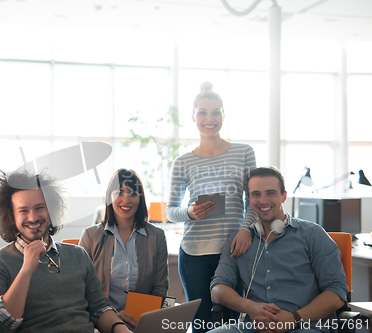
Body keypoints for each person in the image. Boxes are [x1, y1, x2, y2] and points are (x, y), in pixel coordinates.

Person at [0, 169, 132, 333]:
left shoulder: (78, 255)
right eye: (23, 210)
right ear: (11, 217)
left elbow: (99, 308)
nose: (33, 217)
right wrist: (26, 271)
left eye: (39, 208)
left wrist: (120, 329)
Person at [210, 167, 348, 333]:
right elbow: (217, 290)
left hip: (304, 326)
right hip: (255, 327)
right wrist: (252, 308)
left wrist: (293, 318)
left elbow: (337, 292)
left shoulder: (313, 234)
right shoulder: (238, 240)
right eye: (256, 194)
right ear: (249, 198)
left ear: (284, 196)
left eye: (270, 193)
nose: (263, 200)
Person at [166, 81, 257, 332]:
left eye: (216, 112)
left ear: (224, 115)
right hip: (194, 253)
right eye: (203, 112)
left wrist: (246, 229)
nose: (210, 118)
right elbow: (170, 210)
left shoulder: (243, 152)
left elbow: (252, 202)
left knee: (232, 325)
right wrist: (189, 213)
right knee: (202, 325)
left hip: (234, 251)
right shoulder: (182, 162)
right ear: (193, 116)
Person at [79, 168, 169, 329]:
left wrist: (146, 319)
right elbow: (81, 290)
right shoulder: (90, 236)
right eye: (119, 193)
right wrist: (111, 318)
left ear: (140, 199)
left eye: (133, 193)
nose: (126, 200)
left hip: (141, 323)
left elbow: (160, 289)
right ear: (109, 197)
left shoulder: (157, 237)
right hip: (101, 324)